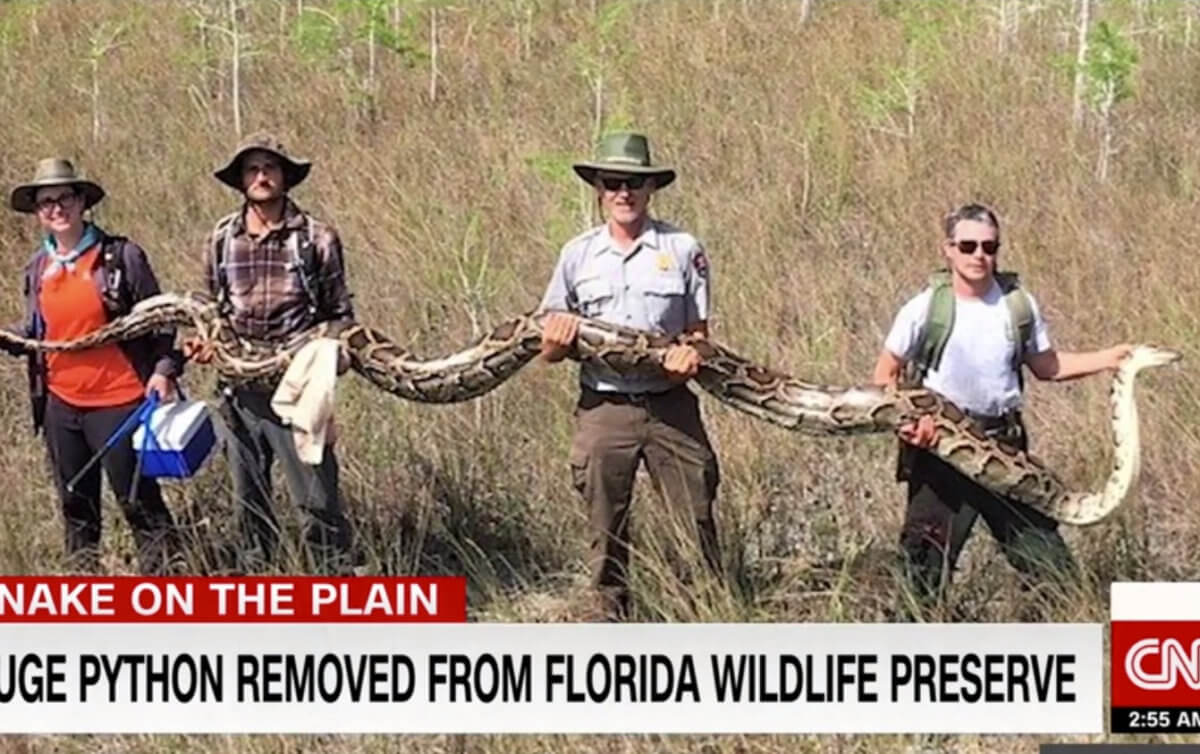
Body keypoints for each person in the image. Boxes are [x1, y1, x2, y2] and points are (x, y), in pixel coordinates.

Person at [871, 202, 1132, 614]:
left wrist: (1110, 358)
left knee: (1053, 571)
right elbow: (884, 376)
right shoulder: (925, 308)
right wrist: (911, 426)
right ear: (949, 250)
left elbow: (1047, 366)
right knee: (921, 578)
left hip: (1005, 449)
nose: (979, 255)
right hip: (940, 452)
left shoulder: (1018, 305)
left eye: (989, 247)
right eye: (968, 245)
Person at [538, 132, 721, 621]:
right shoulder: (577, 255)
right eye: (614, 182)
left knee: (695, 518)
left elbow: (700, 332)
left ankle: (703, 618)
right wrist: (554, 341)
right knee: (605, 529)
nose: (624, 192)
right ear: (598, 188)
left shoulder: (683, 249)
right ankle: (612, 630)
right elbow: (547, 349)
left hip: (670, 405)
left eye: (634, 183)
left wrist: (691, 353)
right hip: (605, 407)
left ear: (650, 189)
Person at [3, 158, 182, 574]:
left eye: (64, 197)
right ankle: (83, 600)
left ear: (82, 201)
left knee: (138, 503)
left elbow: (163, 320)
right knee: (75, 506)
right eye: (45, 202)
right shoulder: (38, 268)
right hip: (61, 406)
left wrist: (162, 369)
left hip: (120, 401)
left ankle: (166, 594)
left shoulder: (120, 257)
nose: (55, 208)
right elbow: (39, 331)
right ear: (37, 212)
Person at [190, 132, 355, 573]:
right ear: (242, 180)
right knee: (249, 503)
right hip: (238, 391)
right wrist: (204, 343)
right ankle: (259, 590)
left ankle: (333, 589)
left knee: (316, 500)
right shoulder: (222, 238)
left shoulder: (317, 237)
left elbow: (341, 314)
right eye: (252, 169)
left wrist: (328, 353)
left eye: (270, 168)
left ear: (285, 177)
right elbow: (210, 309)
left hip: (298, 389)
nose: (261, 176)